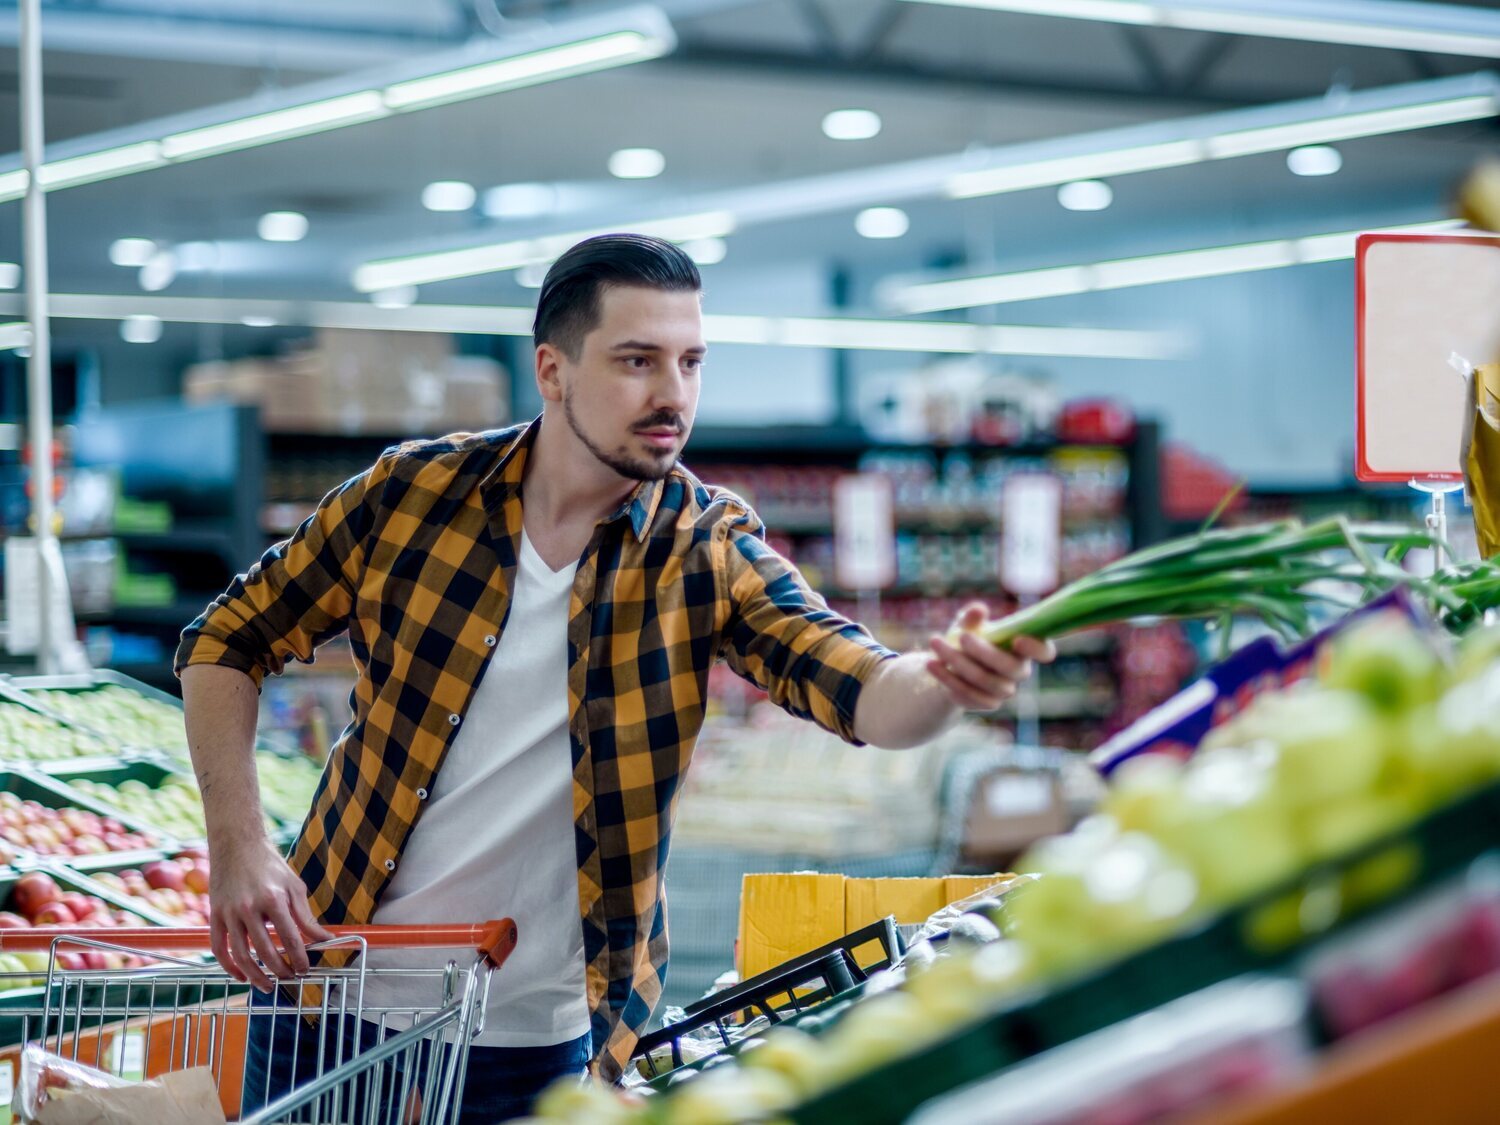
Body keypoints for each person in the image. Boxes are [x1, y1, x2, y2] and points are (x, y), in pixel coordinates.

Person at [177, 233, 1053, 1121]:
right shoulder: (413, 496)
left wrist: (950, 679)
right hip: (328, 988)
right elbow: (225, 641)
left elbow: (863, 686)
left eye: (690, 361)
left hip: (538, 1038)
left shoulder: (704, 549)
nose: (673, 393)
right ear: (552, 371)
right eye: (637, 361)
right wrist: (240, 847)